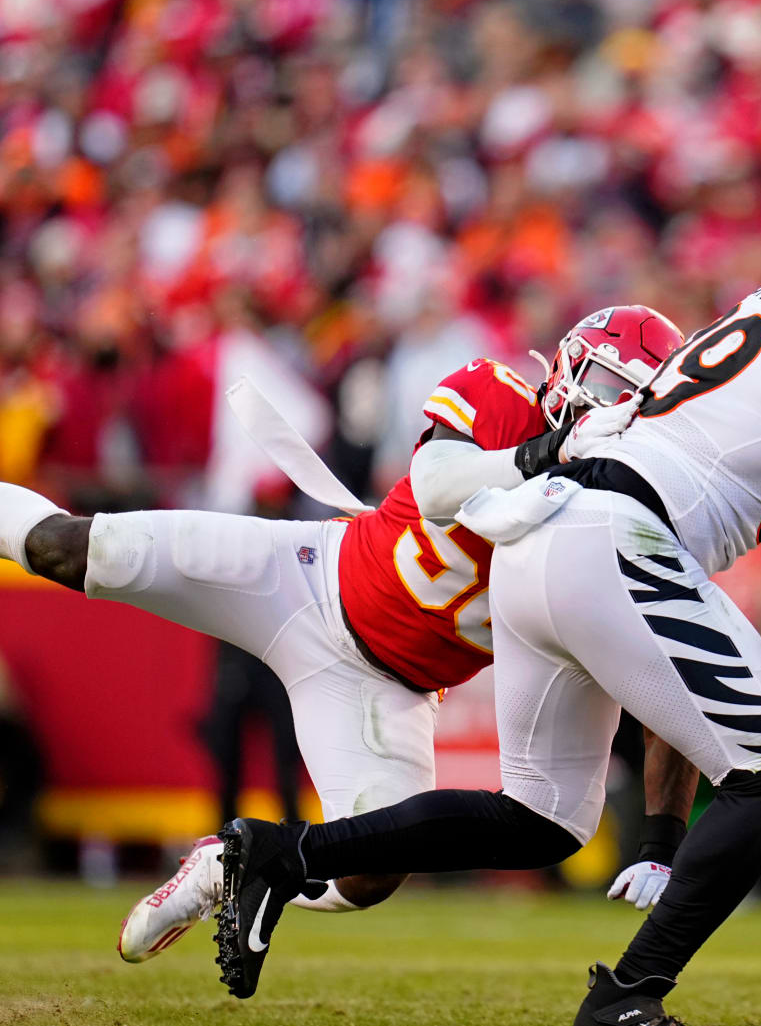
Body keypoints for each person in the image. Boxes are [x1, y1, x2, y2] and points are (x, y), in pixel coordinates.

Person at [211, 174, 761, 1026]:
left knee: (542, 816)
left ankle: (287, 854)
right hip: (619, 534)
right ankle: (627, 999)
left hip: (543, 534)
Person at [0, 305, 685, 961]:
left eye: (630, 397)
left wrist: (662, 839)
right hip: (305, 580)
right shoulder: (500, 394)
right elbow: (439, 481)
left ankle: (224, 867)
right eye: (602, 384)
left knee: (368, 875)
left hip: (391, 689)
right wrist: (548, 453)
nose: (607, 407)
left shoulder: (618, 510)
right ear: (565, 367)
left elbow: (660, 675)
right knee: (77, 549)